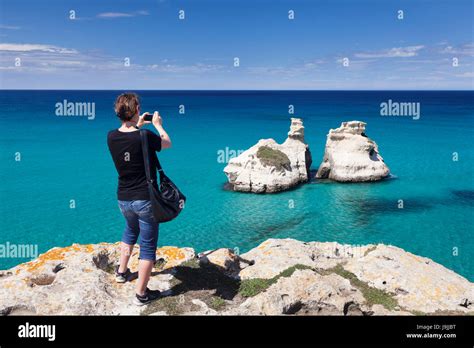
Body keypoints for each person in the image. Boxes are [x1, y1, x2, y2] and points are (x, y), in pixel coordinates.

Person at [107, 93, 172, 305]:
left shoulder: (111, 136)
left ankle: (121, 272)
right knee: (147, 247)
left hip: (123, 198)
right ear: (136, 110)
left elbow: (128, 142)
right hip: (144, 199)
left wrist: (138, 122)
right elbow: (167, 144)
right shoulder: (144, 136)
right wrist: (158, 125)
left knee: (129, 231)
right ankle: (141, 295)